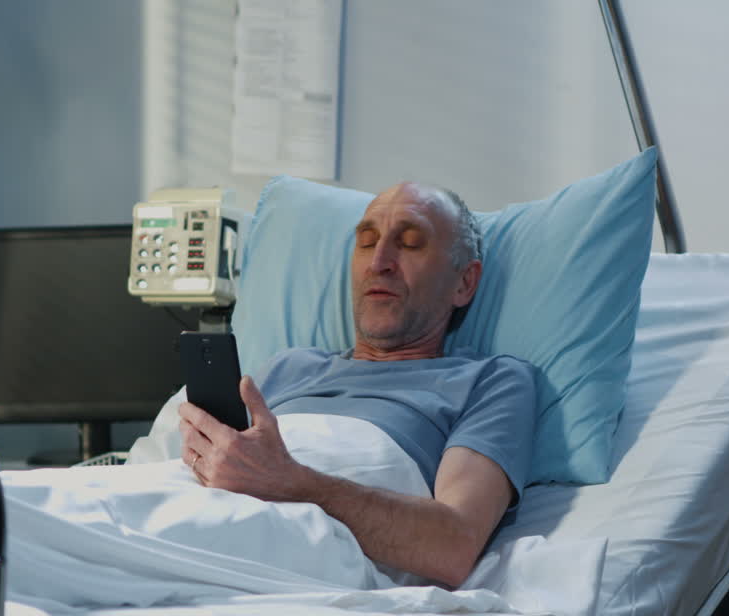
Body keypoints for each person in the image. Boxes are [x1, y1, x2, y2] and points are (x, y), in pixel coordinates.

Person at [177, 182, 536, 588]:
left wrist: (291, 482)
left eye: (411, 243)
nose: (379, 262)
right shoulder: (286, 368)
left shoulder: (490, 382)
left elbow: (453, 546)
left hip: (282, 548)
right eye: (366, 242)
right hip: (199, 513)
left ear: (464, 284)